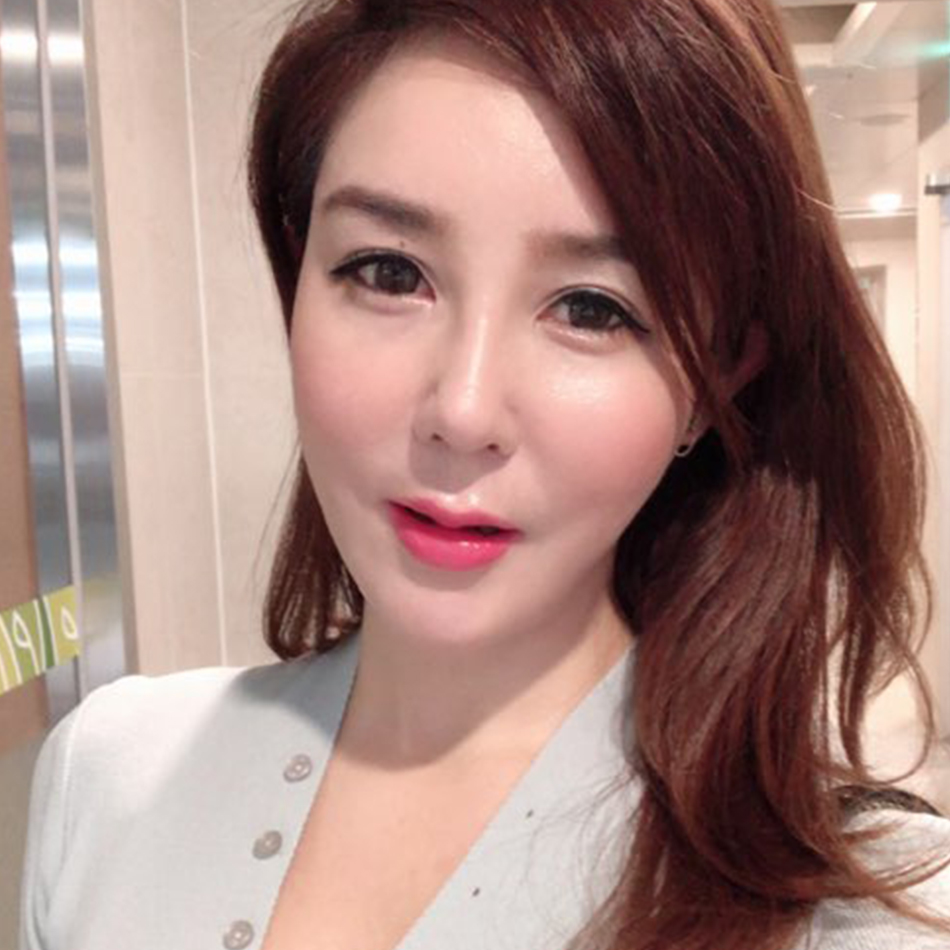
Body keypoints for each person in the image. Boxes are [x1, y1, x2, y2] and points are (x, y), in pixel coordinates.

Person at [19, 0, 950, 947]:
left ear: (717, 382)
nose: (462, 413)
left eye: (592, 309)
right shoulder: (106, 781)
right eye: (389, 272)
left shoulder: (860, 919)